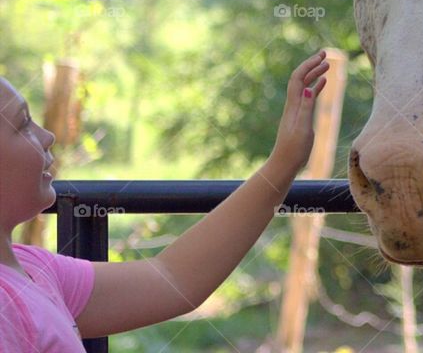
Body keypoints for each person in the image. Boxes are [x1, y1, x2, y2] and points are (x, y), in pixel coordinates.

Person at [0, 50, 329, 351]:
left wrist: (283, 163)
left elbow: (173, 278)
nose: (47, 136)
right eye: (24, 124)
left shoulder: (34, 270)